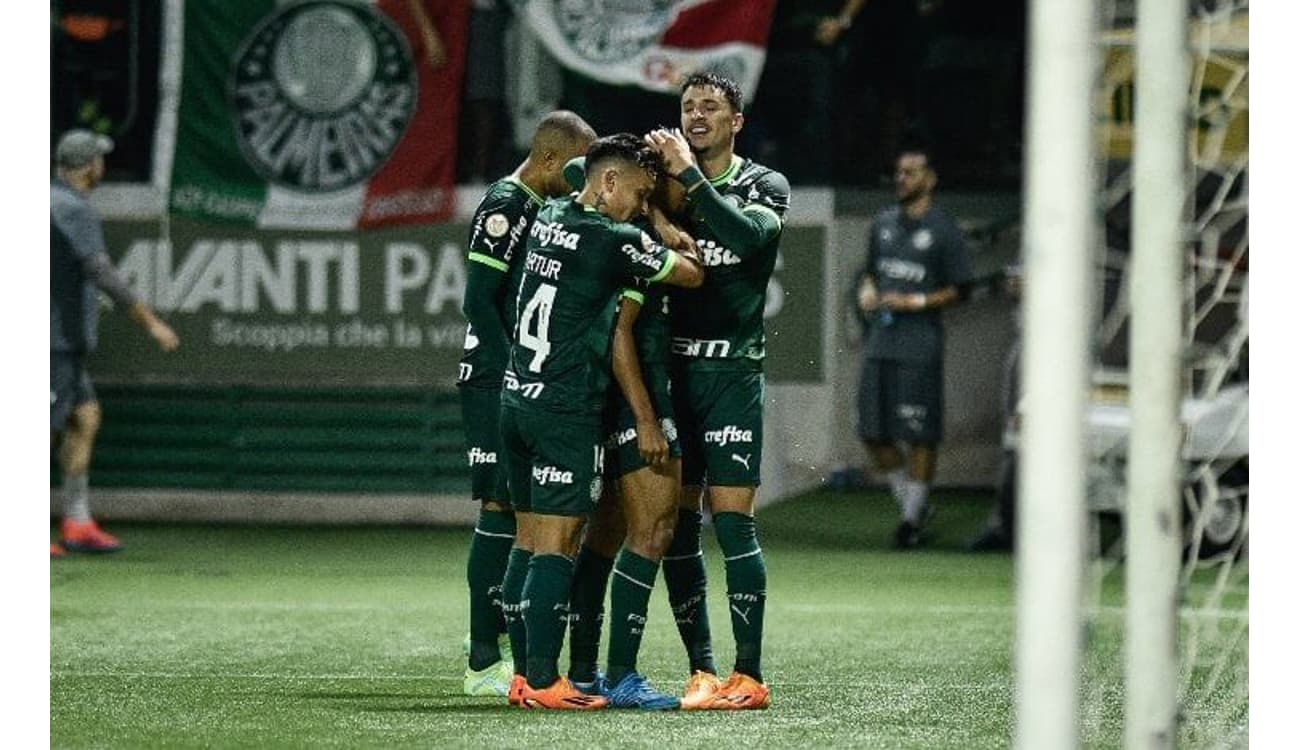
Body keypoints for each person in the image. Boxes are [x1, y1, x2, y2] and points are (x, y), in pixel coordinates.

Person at [500, 134, 704, 709]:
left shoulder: (553, 215)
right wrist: (662, 224)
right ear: (609, 183)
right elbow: (691, 274)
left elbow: (576, 170)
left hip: (517, 399)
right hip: (564, 407)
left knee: (531, 539)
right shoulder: (609, 242)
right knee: (557, 548)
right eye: (638, 194)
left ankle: (524, 676)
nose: (640, 206)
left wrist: (637, 199)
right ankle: (544, 682)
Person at [643, 71, 792, 711]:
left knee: (733, 525)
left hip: (731, 377)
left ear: (737, 121)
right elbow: (582, 179)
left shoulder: (765, 184)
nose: (697, 115)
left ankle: (749, 675)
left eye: (711, 106)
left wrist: (689, 181)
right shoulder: (662, 171)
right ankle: (702, 672)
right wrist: (653, 205)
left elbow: (746, 237)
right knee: (677, 530)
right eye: (688, 106)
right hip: (672, 378)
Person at [456, 110, 596, 698]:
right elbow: (477, 299)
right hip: (494, 377)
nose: (583, 178)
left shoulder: (545, 208)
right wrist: (515, 362)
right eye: (576, 167)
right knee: (500, 507)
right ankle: (482, 657)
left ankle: (509, 641)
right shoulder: (506, 204)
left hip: (520, 378)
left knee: (521, 513)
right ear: (546, 160)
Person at [557, 167, 699, 710]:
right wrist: (644, 416)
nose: (690, 187)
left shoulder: (622, 225)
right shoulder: (632, 241)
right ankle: (619, 675)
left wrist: (657, 213)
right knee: (654, 530)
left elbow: (581, 173)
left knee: (603, 539)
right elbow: (622, 330)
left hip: (611, 396)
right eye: (679, 177)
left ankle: (584, 670)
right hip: (639, 396)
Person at [51, 129, 180, 557]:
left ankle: (78, 522)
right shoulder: (71, 209)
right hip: (51, 342)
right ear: (89, 166)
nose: (103, 165)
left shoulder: (55, 202)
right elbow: (103, 274)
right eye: (99, 159)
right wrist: (153, 324)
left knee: (84, 418)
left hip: (61, 341)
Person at [853, 146, 971, 549]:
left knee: (920, 433)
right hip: (881, 341)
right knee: (872, 431)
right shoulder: (883, 223)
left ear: (930, 179)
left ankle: (909, 520)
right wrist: (869, 289)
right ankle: (914, 505)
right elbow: (870, 271)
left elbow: (960, 289)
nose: (902, 179)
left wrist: (916, 301)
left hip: (920, 341)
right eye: (899, 172)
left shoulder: (944, 229)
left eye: (912, 172)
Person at [748, 0, 865, 183]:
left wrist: (842, 21)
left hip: (819, 41)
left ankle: (819, 177)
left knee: (820, 112)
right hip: (773, 40)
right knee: (771, 112)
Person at [965, 264, 1022, 553]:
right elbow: (1014, 284)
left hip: (1080, 347)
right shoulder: (1042, 232)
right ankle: (1007, 524)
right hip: (1032, 345)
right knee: (1017, 438)